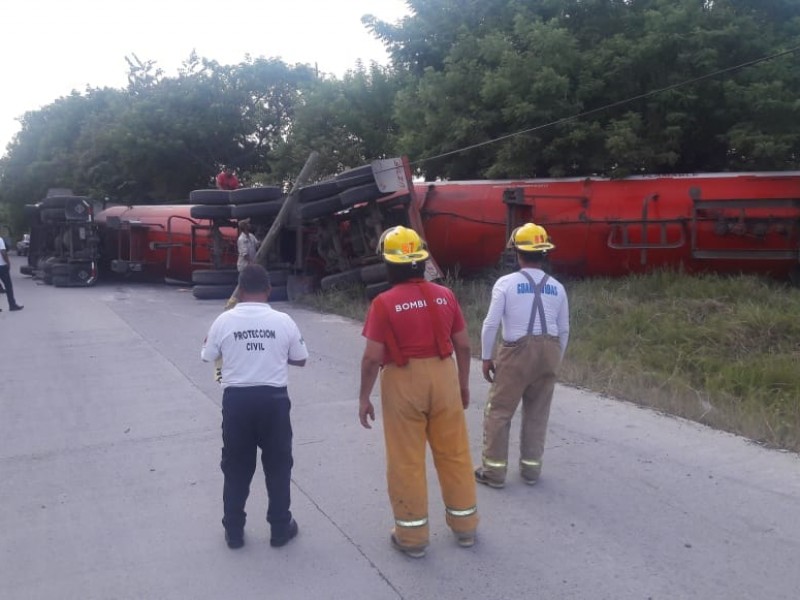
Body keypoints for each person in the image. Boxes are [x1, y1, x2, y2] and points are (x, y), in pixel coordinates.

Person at [359, 225, 478, 559]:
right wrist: (463, 384)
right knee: (454, 454)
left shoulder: (384, 303)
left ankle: (412, 539)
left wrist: (364, 397)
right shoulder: (446, 295)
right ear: (421, 261)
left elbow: (371, 358)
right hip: (444, 376)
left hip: (403, 380)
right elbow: (464, 346)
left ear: (389, 263)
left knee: (406, 461)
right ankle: (466, 528)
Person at [201, 264, 308, 549]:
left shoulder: (223, 321)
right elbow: (301, 358)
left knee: (236, 468)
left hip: (237, 403)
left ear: (240, 288)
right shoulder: (283, 321)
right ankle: (280, 528)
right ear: (269, 289)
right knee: (278, 466)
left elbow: (208, 355)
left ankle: (234, 531)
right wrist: (272, 352)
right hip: (273, 402)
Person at [475, 223, 569, 489]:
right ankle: (531, 471)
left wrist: (485, 356)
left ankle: (493, 473)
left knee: (500, 412)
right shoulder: (558, 287)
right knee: (537, 412)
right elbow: (564, 329)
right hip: (550, 350)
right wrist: (556, 358)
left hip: (516, 351)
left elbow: (491, 324)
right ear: (544, 253)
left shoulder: (506, 283)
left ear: (517, 253)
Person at [0, 236, 23, 312]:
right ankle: (12, 305)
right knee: (8, 286)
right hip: (2, 266)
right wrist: (8, 262)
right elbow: (3, 252)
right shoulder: (0, 239)